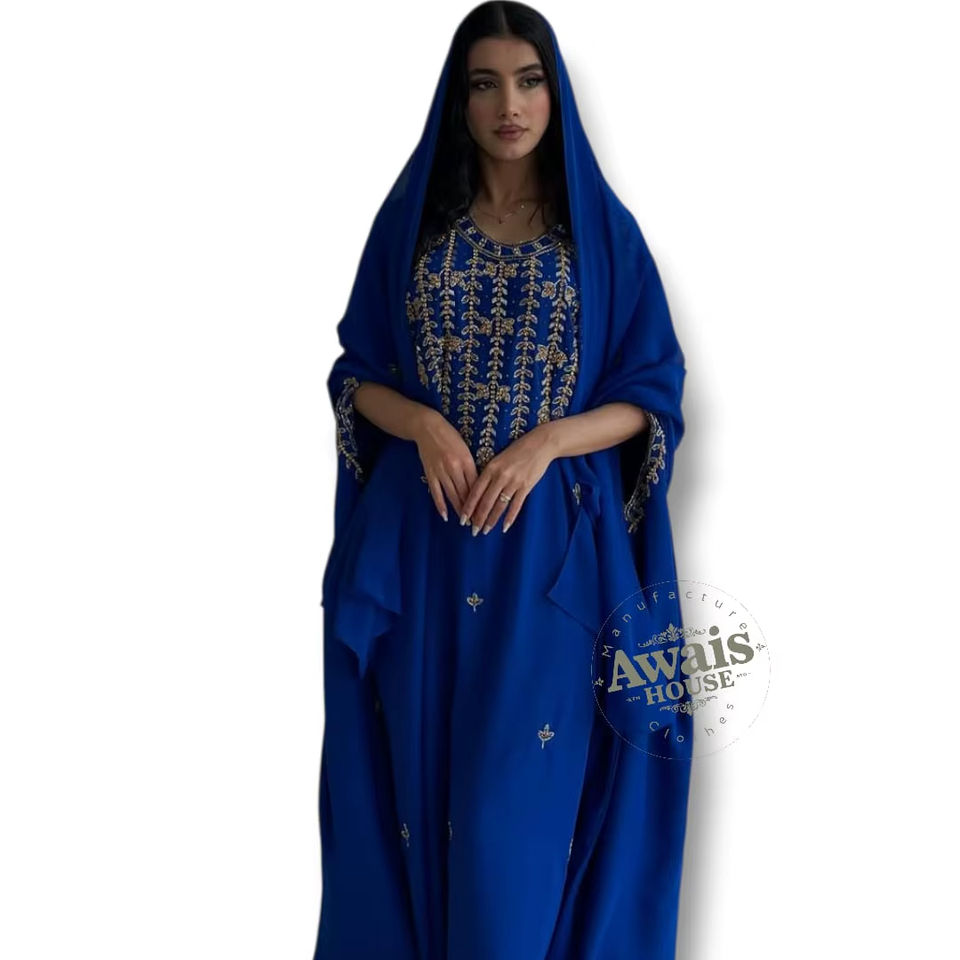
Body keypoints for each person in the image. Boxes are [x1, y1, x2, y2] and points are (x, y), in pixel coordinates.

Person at [313, 4, 692, 958]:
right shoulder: (413, 227)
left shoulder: (599, 234)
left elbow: (652, 393)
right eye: (485, 84)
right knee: (418, 803)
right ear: (459, 99)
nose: (509, 106)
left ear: (555, 96)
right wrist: (423, 422)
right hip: (425, 557)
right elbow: (356, 376)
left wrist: (548, 442)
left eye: (529, 82)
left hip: (547, 568)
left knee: (506, 826)